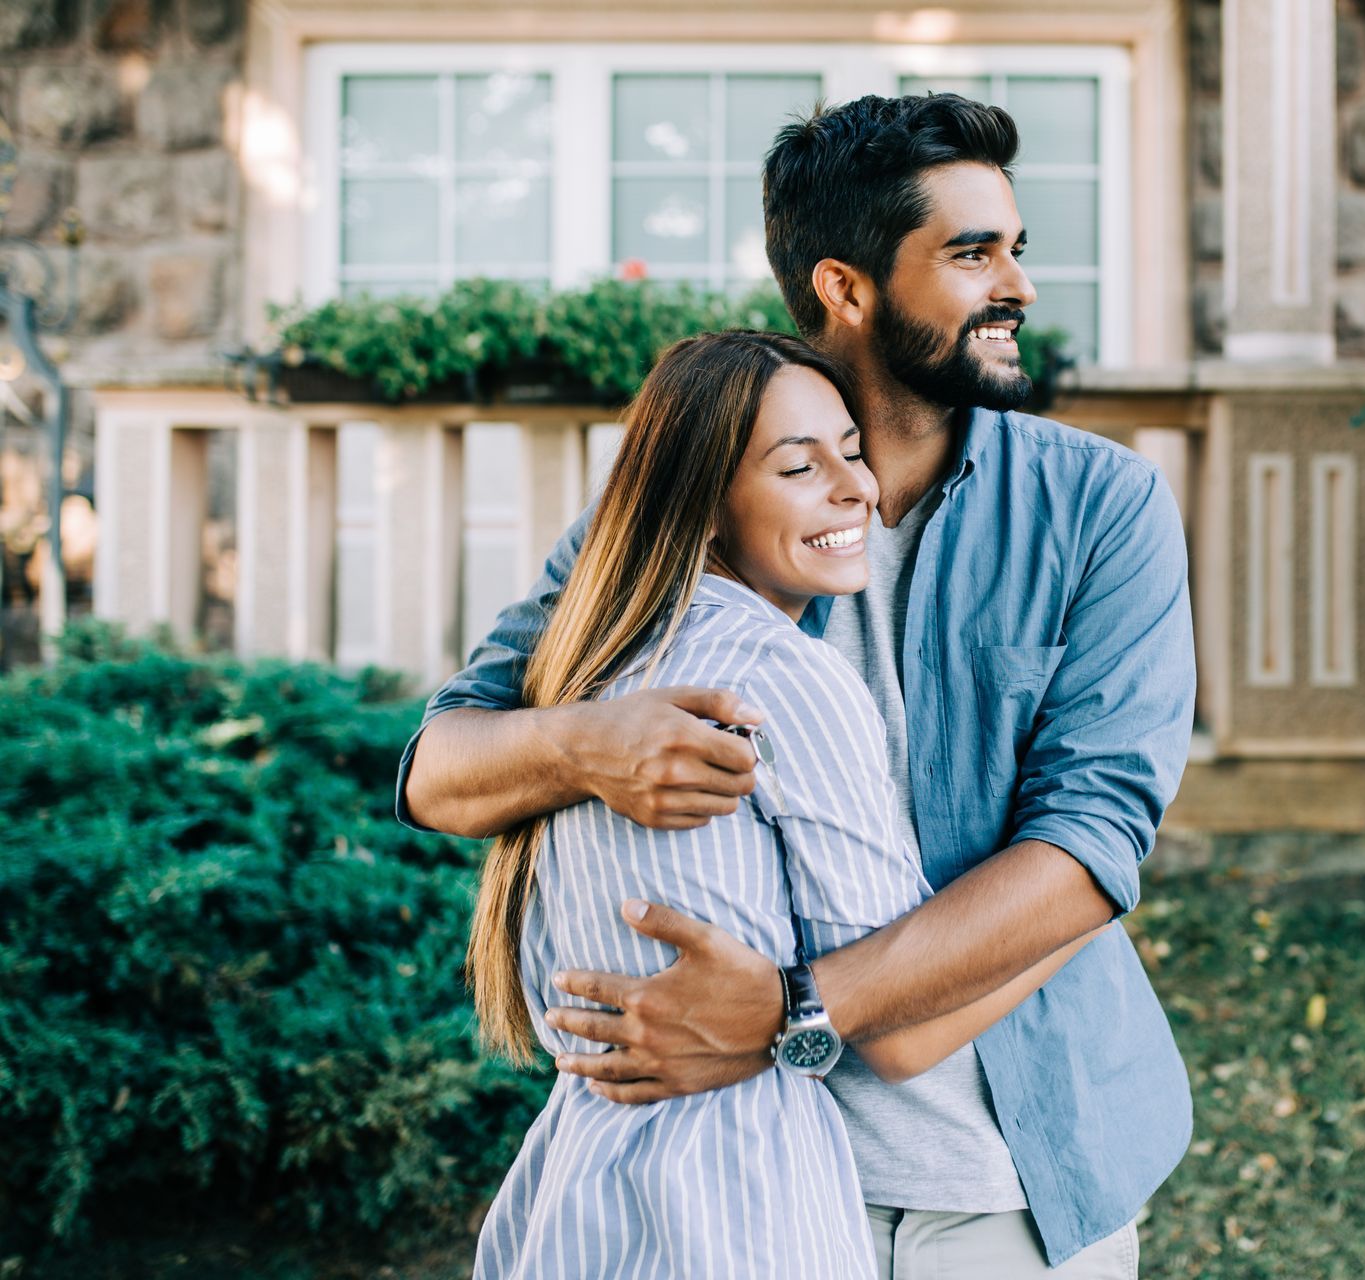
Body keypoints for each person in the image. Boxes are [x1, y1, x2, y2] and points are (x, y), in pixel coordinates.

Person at [401, 93, 1194, 1277]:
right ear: (847, 286)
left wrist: (788, 1009)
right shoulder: (686, 503)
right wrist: (584, 743)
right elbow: (437, 771)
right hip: (732, 1186)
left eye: (1015, 248)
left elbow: (1092, 843)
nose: (1017, 283)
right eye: (973, 252)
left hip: (1009, 1185)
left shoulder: (1100, 509)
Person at [467, 328, 1097, 1278]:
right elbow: (903, 1026)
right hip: (740, 1192)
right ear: (705, 504)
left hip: (576, 1188)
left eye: (853, 453)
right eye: (800, 469)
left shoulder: (587, 665)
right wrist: (1088, 898)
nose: (858, 491)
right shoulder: (778, 676)